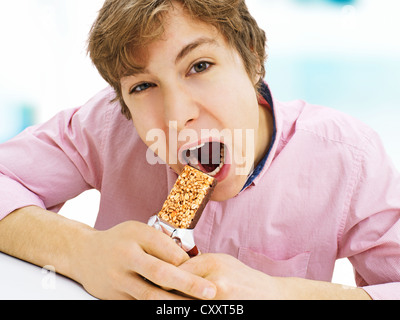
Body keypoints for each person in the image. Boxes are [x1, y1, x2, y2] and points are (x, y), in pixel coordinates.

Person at [0, 0, 399, 300]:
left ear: (253, 60)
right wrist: (82, 250)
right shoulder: (107, 125)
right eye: (142, 86)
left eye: (199, 66)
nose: (177, 115)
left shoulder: (349, 157)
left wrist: (283, 294)